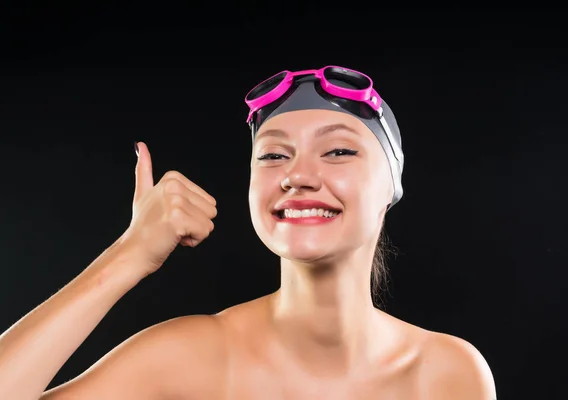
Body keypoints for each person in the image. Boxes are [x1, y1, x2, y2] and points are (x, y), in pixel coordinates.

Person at [0, 66, 496, 399]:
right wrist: (128, 256)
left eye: (339, 151)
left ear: (392, 184)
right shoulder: (191, 360)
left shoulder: (446, 374)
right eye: (274, 154)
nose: (296, 175)